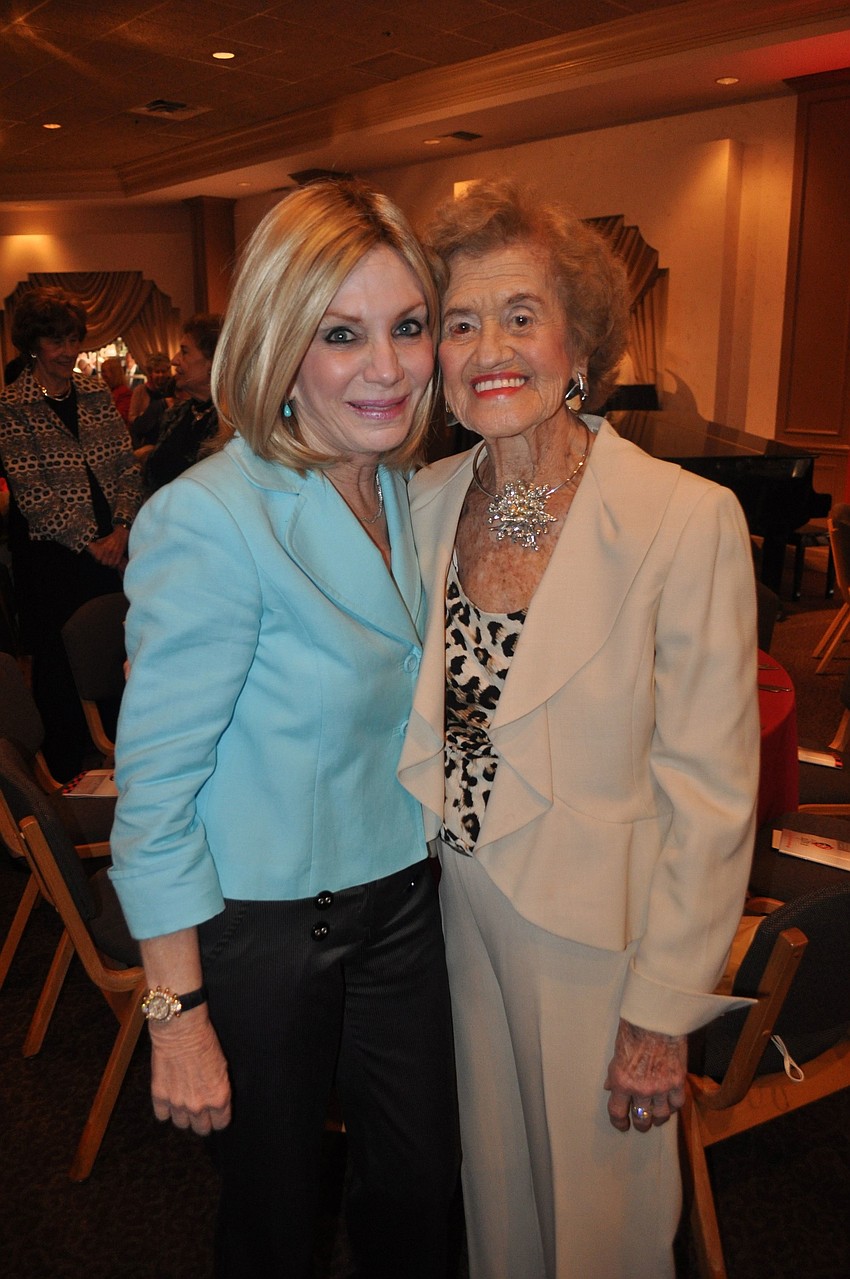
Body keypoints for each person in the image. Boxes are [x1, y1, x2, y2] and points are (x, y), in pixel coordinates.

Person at [398, 180, 760, 1278]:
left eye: (520, 314)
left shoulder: (682, 518)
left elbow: (709, 791)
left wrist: (662, 1013)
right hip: (451, 910)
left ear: (579, 343)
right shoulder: (422, 501)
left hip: (599, 940)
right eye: (459, 321)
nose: (489, 347)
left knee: (601, 1232)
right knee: (494, 1201)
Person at [108, 179, 460, 1279]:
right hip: (266, 930)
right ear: (278, 346)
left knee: (418, 1189)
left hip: (403, 897)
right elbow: (153, 798)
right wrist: (176, 1015)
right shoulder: (209, 517)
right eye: (341, 333)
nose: (388, 368)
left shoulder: (404, 487)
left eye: (407, 328)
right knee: (272, 1218)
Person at [0, 287, 141, 777]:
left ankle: (120, 758)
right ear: (33, 344)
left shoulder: (97, 392)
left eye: (73, 340)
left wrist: (121, 527)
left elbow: (126, 466)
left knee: (113, 651)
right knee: (60, 663)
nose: (68, 352)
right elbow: (33, 495)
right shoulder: (12, 405)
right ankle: (65, 773)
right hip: (52, 556)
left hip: (112, 545)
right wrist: (92, 542)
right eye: (56, 341)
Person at [142, 314, 222, 493]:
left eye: (184, 351)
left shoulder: (233, 421)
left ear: (212, 362)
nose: (174, 360)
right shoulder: (175, 413)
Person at [127, 350, 173, 451]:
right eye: (157, 372)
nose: (161, 375)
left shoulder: (172, 389)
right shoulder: (140, 390)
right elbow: (131, 417)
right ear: (150, 373)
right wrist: (145, 417)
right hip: (146, 443)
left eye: (163, 371)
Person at [100, 355, 133, 425]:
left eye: (104, 372)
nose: (102, 375)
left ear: (114, 373)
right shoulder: (106, 391)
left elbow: (119, 417)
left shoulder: (124, 393)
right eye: (102, 372)